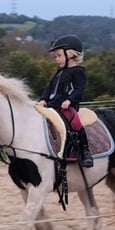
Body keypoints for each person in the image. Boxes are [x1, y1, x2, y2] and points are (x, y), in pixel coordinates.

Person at [37, 34, 93, 167]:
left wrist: (69, 100)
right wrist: (43, 99)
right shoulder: (59, 72)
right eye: (55, 56)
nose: (56, 59)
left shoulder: (78, 71)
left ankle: (85, 151)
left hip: (67, 107)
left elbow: (79, 89)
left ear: (71, 55)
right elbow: (49, 88)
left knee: (75, 122)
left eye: (59, 55)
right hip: (52, 106)